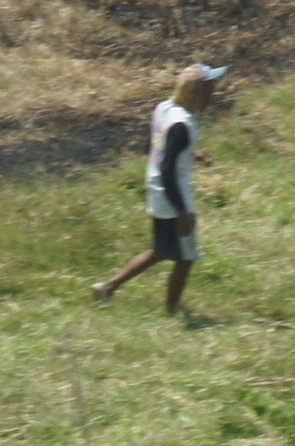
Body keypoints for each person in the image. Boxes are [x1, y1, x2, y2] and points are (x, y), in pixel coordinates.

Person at [93, 62, 228, 317]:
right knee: (185, 256)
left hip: (156, 188)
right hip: (173, 194)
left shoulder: (165, 108)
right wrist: (182, 212)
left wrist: (191, 154)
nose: (214, 93)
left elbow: (161, 147)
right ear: (197, 92)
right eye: (210, 88)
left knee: (161, 249)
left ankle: (108, 287)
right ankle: (172, 310)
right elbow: (168, 169)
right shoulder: (183, 124)